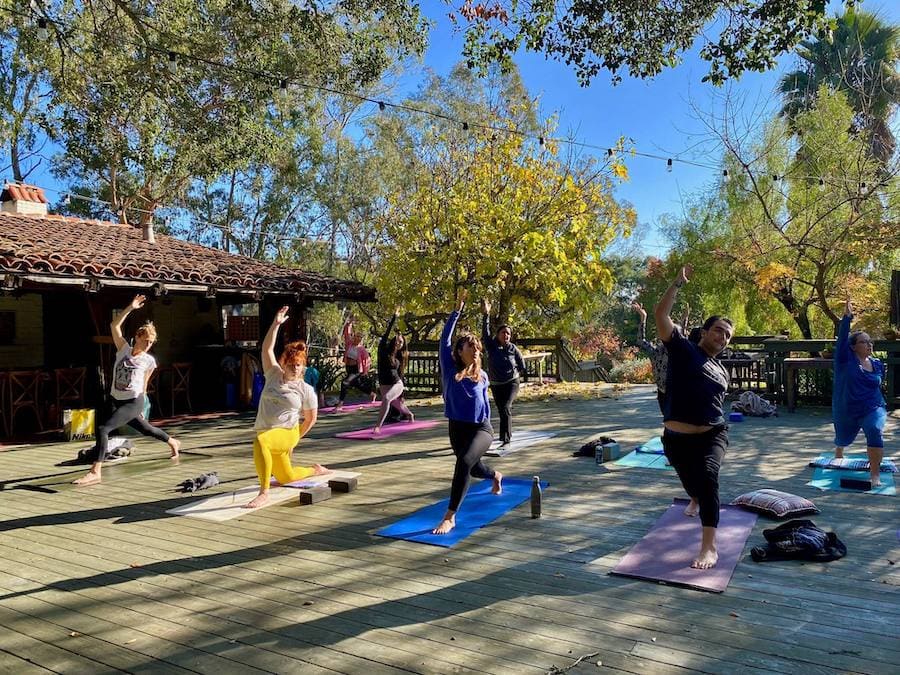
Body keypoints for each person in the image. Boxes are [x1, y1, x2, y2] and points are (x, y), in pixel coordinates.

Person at [654, 265, 733, 569]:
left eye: (728, 335)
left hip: (712, 434)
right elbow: (661, 315)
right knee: (693, 486)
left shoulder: (721, 369)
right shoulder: (684, 350)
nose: (723, 337)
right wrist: (676, 284)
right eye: (719, 330)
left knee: (709, 478)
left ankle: (709, 547)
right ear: (704, 332)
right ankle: (695, 497)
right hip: (676, 440)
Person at [73, 295, 181, 485]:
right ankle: (172, 442)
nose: (148, 345)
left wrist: (142, 404)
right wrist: (130, 307)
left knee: (103, 429)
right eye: (146, 340)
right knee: (146, 429)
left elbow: (145, 385)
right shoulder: (123, 349)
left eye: (151, 343)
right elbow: (114, 326)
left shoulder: (149, 361)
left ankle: (95, 471)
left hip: (133, 401)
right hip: (116, 399)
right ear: (137, 337)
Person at [433, 291, 503, 535]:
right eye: (470, 347)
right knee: (473, 469)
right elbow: (444, 340)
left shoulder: (482, 375)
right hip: (457, 427)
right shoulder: (449, 367)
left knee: (463, 462)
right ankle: (495, 475)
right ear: (459, 350)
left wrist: (486, 315)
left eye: (477, 348)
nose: (475, 350)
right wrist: (457, 310)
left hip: (482, 428)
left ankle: (450, 517)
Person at [245, 306, 328, 508]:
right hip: (269, 431)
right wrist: (276, 324)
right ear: (283, 363)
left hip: (288, 432)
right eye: (290, 364)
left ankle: (263, 493)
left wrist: (294, 439)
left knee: (260, 442)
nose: (293, 367)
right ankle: (315, 470)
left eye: (297, 364)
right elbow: (266, 349)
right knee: (286, 477)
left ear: (303, 366)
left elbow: (310, 419)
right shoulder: (273, 374)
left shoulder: (306, 389)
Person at [832, 299, 887, 487]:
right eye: (864, 342)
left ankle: (875, 475)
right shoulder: (844, 361)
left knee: (874, 429)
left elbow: (877, 385)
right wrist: (847, 318)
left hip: (873, 407)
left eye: (870, 341)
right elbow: (841, 340)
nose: (869, 344)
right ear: (853, 346)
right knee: (842, 435)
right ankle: (839, 448)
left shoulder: (878, 364)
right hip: (847, 408)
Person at [481, 299, 527, 450]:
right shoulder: (491, 346)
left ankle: (506, 438)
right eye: (503, 333)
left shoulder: (513, 349)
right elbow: (485, 333)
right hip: (496, 384)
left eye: (508, 334)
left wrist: (515, 375)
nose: (506, 336)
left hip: (511, 382)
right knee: (501, 409)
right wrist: (486, 315)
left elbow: (522, 365)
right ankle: (503, 435)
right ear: (498, 334)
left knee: (506, 407)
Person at [373, 309, 415, 435]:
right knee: (396, 404)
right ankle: (410, 415)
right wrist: (394, 317)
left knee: (386, 399)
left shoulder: (399, 356)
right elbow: (386, 333)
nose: (399, 343)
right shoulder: (383, 349)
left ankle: (377, 426)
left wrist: (402, 394)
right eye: (397, 341)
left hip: (396, 384)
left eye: (401, 342)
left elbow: (401, 374)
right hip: (384, 384)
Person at [333, 318, 375, 411]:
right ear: (354, 337)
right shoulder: (349, 344)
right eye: (357, 336)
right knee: (357, 385)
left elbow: (367, 360)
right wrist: (349, 324)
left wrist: (365, 371)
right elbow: (346, 334)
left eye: (360, 337)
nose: (358, 338)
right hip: (349, 367)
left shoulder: (362, 349)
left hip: (356, 370)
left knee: (345, 383)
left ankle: (340, 404)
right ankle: (372, 394)